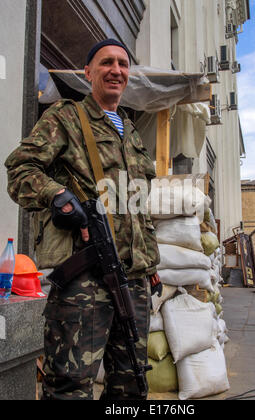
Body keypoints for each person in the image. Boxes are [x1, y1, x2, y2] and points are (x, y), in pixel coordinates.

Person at [5, 39, 162, 400]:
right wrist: (57, 195)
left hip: (134, 280)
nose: (117, 70)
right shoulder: (66, 117)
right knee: (70, 386)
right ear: (88, 72)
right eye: (107, 62)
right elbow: (19, 168)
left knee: (131, 384)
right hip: (84, 280)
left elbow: (138, 205)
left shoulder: (131, 132)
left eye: (123, 64)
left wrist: (150, 259)